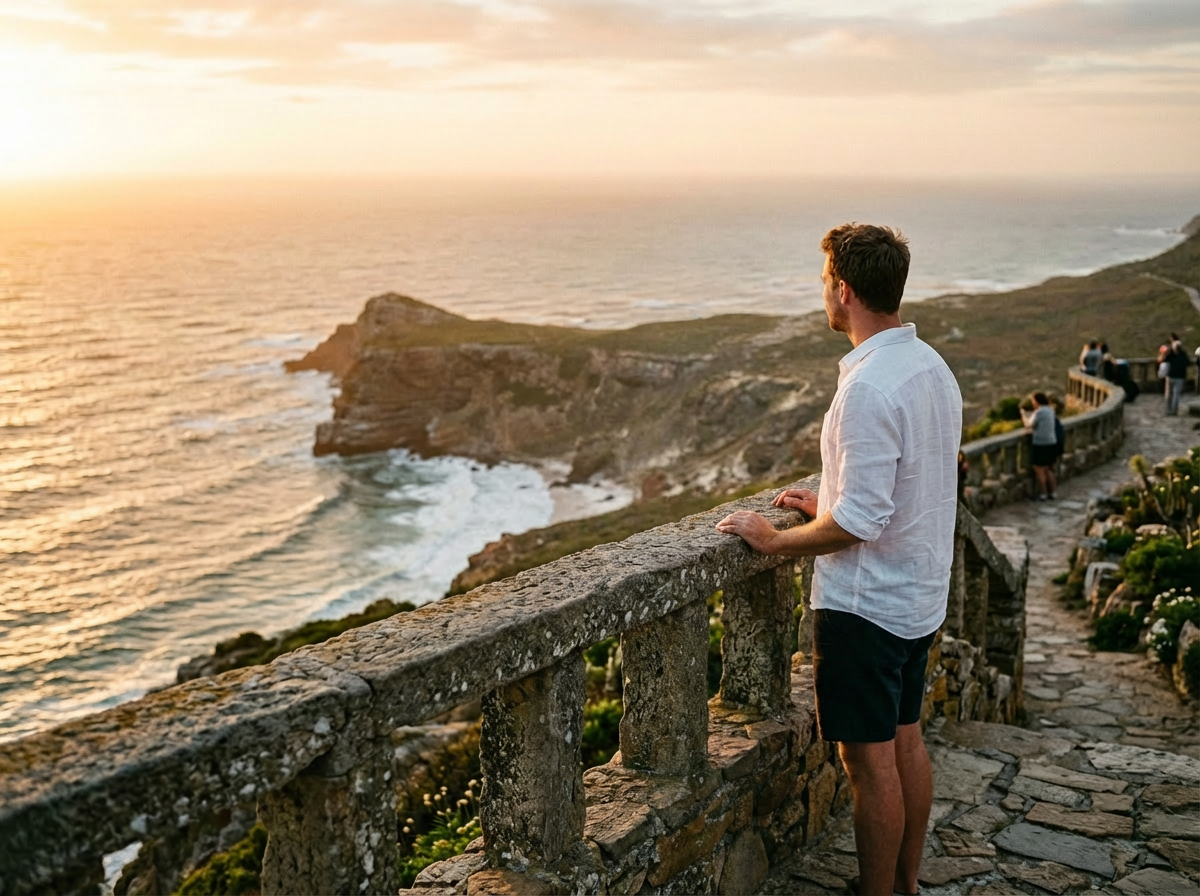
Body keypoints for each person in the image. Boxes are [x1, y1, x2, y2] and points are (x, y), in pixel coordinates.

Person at [715, 224, 961, 896]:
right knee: (906, 741)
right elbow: (904, 480)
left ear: (844, 290)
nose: (821, 292)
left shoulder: (867, 387)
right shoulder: (930, 367)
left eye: (824, 280)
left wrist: (775, 540)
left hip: (867, 608)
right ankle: (905, 885)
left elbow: (858, 522)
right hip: (917, 598)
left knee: (868, 761)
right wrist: (832, 492)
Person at [1024, 392, 1058, 499]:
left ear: (1037, 401)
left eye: (1033, 401)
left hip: (1040, 442)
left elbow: (1029, 425)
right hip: (1051, 441)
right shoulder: (1050, 410)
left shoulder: (1039, 412)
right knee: (1049, 468)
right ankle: (1053, 492)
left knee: (1039, 468)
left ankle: (1043, 493)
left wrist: (1023, 415)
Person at [1164, 337, 1190, 415]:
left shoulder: (1171, 354)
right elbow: (1187, 363)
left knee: (1169, 395)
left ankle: (1169, 410)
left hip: (1171, 376)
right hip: (1179, 376)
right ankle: (1173, 410)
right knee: (1175, 395)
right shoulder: (1183, 354)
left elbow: (1164, 360)